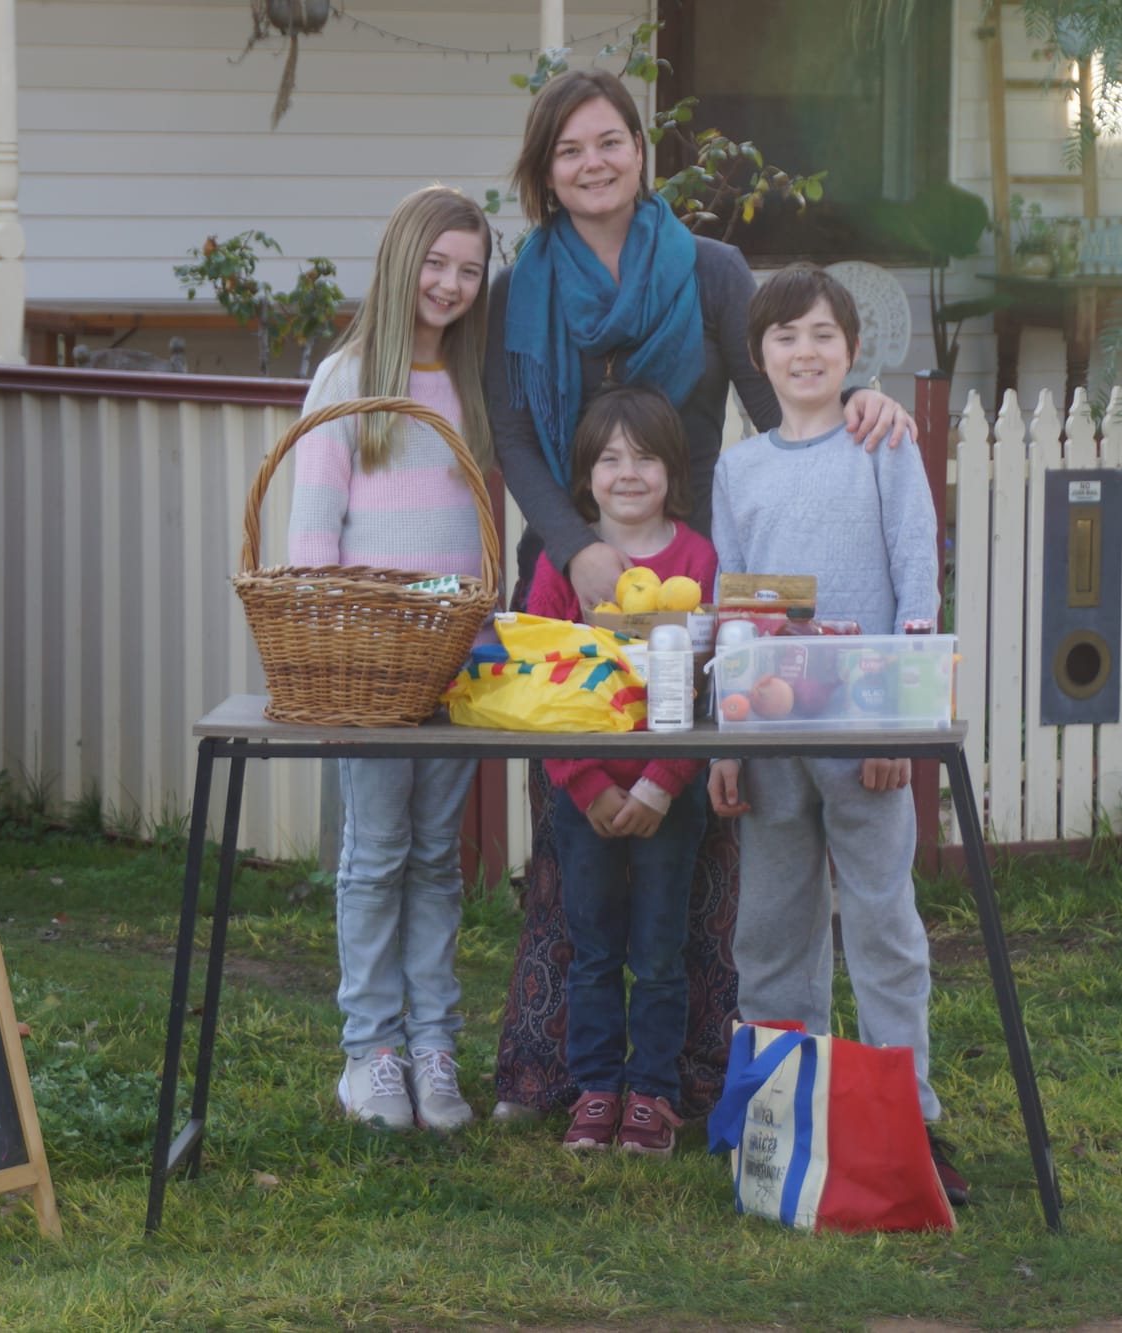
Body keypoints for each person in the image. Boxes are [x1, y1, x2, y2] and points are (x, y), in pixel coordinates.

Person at [487, 67, 922, 1121]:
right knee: (577, 831)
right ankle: (565, 1071)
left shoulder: (712, 269)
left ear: (641, 150)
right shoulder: (518, 290)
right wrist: (575, 550)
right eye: (569, 150)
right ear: (544, 173)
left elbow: (787, 382)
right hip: (569, 581)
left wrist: (864, 402)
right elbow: (510, 438)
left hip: (694, 581)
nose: (593, 163)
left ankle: (699, 1073)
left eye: (609, 142)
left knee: (697, 827)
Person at [705, 263, 969, 1205]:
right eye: (785, 336)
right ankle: (781, 1125)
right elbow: (734, 610)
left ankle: (913, 1121)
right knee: (772, 932)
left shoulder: (882, 446)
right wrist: (729, 738)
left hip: (868, 744)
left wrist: (897, 716)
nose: (805, 351)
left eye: (823, 334)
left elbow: (915, 579)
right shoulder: (738, 471)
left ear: (853, 352)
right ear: (759, 355)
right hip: (771, 741)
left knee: (882, 924)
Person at [286, 186, 494, 1133]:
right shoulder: (345, 381)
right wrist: (329, 634)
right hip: (369, 661)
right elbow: (310, 529)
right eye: (437, 263)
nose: (450, 284)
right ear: (402, 260)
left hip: (451, 657)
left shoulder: (474, 385)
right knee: (374, 854)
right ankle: (369, 1051)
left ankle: (434, 1044)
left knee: (437, 858)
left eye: (469, 270)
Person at [524, 386, 714, 1154]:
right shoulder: (562, 564)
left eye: (645, 457)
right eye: (609, 458)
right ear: (584, 474)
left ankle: (656, 1095)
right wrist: (587, 782)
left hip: (670, 790)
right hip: (588, 793)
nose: (627, 473)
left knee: (661, 953)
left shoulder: (697, 557)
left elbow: (709, 682)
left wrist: (663, 782)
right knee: (594, 948)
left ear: (673, 468)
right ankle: (596, 1088)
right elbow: (540, 680)